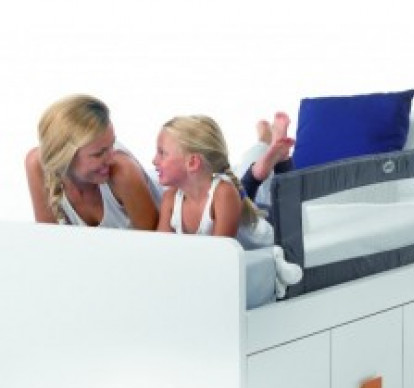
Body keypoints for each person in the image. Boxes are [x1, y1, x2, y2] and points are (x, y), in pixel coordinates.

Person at [153, 113, 302, 297]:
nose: (154, 160)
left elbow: (219, 258)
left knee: (290, 208)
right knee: (242, 189)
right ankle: (263, 154)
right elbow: (160, 251)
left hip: (271, 226)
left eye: (162, 153)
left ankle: (281, 157)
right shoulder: (170, 199)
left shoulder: (223, 194)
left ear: (192, 162)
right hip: (245, 205)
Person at [25, 94, 161, 229]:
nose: (111, 159)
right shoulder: (37, 165)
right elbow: (48, 237)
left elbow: (151, 241)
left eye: (112, 145)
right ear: (65, 157)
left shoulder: (123, 172)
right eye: (98, 154)